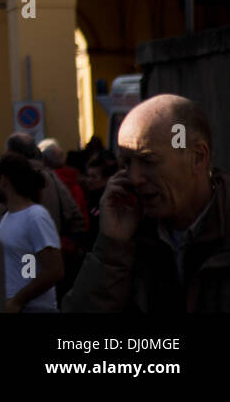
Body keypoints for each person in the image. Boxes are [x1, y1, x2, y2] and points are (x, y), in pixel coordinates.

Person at [65, 94, 230, 312]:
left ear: (197, 157)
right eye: (126, 163)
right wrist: (111, 247)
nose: (134, 178)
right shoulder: (131, 235)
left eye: (148, 161)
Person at [0, 152, 64, 312]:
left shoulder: (36, 216)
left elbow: (54, 270)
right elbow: (17, 257)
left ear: (3, 181)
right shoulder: (9, 216)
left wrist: (17, 300)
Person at [81, 149, 118, 252]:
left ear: (106, 179)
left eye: (94, 177)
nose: (89, 180)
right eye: (88, 176)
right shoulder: (90, 196)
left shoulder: (110, 201)